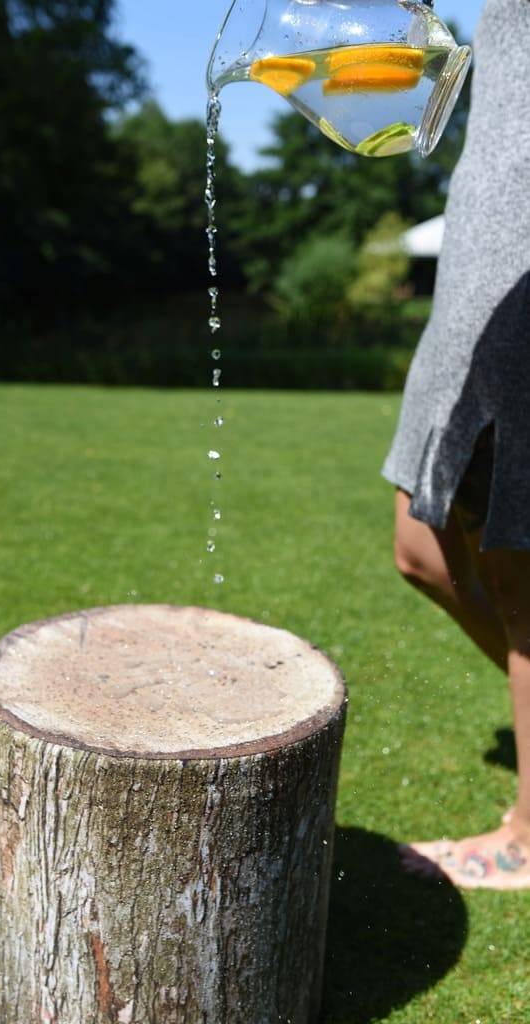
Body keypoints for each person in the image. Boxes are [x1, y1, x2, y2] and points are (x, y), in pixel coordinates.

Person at [380, 0, 530, 890]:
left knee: (519, 564)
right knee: (420, 547)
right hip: (481, 231)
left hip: (523, 246)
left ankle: (529, 838)